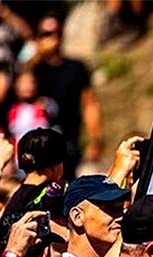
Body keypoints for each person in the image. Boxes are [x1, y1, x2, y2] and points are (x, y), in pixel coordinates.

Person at [28, 15, 103, 170]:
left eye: (56, 33)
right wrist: (39, 54)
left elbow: (89, 103)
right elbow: (22, 84)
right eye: (46, 34)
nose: (52, 38)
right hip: (34, 142)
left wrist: (95, 140)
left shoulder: (75, 67)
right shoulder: (34, 68)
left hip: (67, 142)